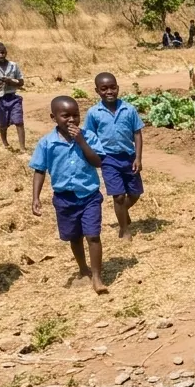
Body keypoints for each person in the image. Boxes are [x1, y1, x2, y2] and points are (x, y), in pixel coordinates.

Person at [30, 97, 107, 294]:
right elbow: (39, 170)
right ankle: (83, 269)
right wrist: (36, 197)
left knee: (93, 236)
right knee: (74, 237)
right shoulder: (47, 143)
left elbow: (97, 162)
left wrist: (81, 141)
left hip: (89, 195)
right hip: (64, 198)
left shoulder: (88, 136)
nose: (71, 120)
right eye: (65, 116)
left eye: (75, 115)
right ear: (53, 117)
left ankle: (97, 277)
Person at [83, 72, 145, 239]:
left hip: (129, 156)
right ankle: (124, 229)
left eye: (112, 88)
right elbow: (90, 136)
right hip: (108, 158)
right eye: (104, 89)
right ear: (97, 91)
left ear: (118, 88)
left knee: (135, 193)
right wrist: (93, 157)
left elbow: (137, 134)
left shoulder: (129, 109)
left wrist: (138, 158)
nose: (109, 92)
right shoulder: (94, 113)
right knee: (118, 195)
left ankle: (122, 212)